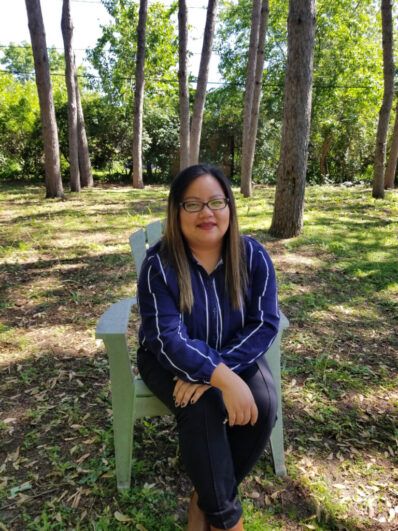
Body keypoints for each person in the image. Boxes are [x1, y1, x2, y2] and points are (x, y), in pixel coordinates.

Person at [137, 164, 280, 531]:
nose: (207, 212)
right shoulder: (160, 264)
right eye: (193, 204)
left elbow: (264, 323)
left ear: (230, 207)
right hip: (166, 361)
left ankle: (203, 498)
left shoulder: (253, 257)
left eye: (216, 201)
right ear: (176, 211)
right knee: (199, 407)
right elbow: (166, 339)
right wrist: (217, 378)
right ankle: (227, 521)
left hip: (235, 353)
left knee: (262, 404)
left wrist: (220, 373)